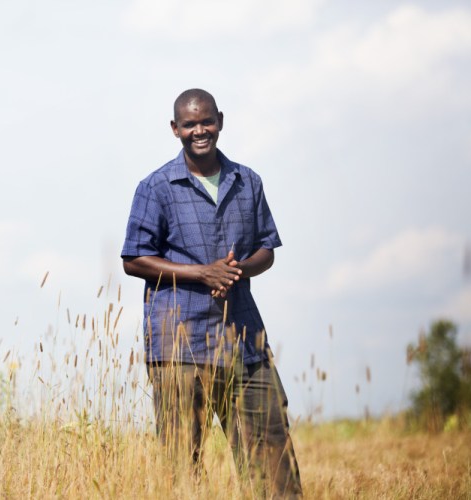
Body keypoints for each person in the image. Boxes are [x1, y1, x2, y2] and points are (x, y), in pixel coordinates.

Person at [121, 88, 302, 497]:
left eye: (207, 121)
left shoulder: (247, 181)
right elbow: (134, 259)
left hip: (244, 342)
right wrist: (203, 274)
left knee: (273, 460)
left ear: (220, 120)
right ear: (175, 129)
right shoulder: (156, 187)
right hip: (180, 346)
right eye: (189, 124)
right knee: (184, 468)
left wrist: (235, 271)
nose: (199, 131)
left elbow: (267, 249)